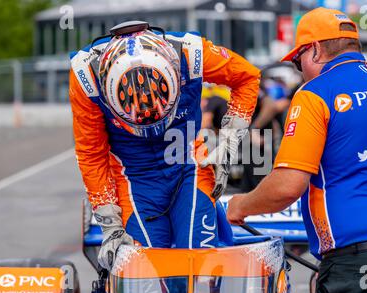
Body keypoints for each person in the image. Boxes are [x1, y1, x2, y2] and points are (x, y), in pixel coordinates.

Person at [226, 7, 367, 293]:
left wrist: (240, 205)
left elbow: (288, 185)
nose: (299, 71)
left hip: (358, 261)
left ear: (314, 50)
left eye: (297, 62)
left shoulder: (316, 93)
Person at [70, 22, 260, 271]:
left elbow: (247, 77)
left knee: (199, 265)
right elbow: (91, 154)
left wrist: (229, 141)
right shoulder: (86, 76)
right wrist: (110, 225)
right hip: (134, 179)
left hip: (189, 166)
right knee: (144, 272)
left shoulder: (190, 52)